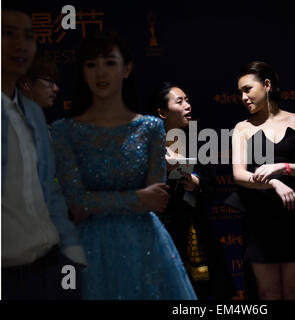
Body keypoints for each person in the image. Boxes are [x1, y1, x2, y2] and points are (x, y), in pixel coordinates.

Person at [49, 31, 197, 300]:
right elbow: (76, 204)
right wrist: (135, 198)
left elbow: (157, 200)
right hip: (89, 246)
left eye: (109, 62)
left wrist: (99, 201)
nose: (100, 72)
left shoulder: (150, 128)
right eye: (91, 65)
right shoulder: (64, 132)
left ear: (126, 68)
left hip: (144, 243)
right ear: (82, 72)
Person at [1, 3, 86, 300]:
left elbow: (50, 192)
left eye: (28, 36)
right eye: (8, 34)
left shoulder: (38, 122)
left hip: (50, 260)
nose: (20, 45)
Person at [231, 61, 295, 300]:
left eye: (247, 89)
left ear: (266, 85)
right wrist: (273, 182)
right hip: (260, 219)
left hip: (294, 216)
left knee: (292, 292)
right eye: (240, 93)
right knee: (269, 294)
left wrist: (282, 168)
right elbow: (239, 174)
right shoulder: (242, 128)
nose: (243, 97)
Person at [151, 82, 237, 300]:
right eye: (179, 102)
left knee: (207, 291)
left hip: (197, 228)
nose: (187, 105)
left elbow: (212, 187)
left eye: (187, 100)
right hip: (164, 232)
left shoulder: (199, 141)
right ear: (162, 112)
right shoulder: (151, 145)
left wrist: (196, 183)